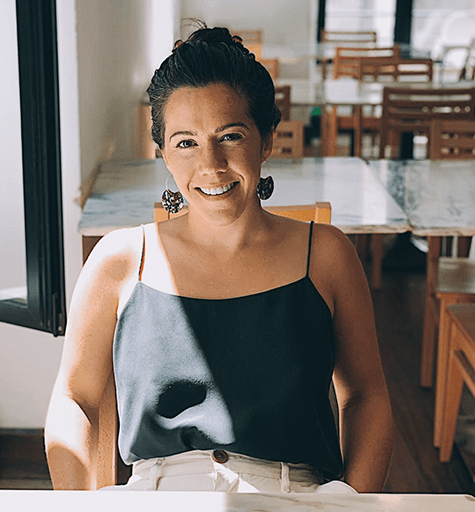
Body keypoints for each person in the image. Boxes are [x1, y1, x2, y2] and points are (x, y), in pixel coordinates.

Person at [45, 24, 393, 494]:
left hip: (298, 499)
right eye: (186, 142)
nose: (211, 164)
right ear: (163, 152)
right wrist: (78, 509)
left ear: (267, 139)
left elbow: (367, 396)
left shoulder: (327, 254)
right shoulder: (120, 261)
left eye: (229, 136)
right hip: (157, 498)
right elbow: (75, 399)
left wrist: (353, 506)